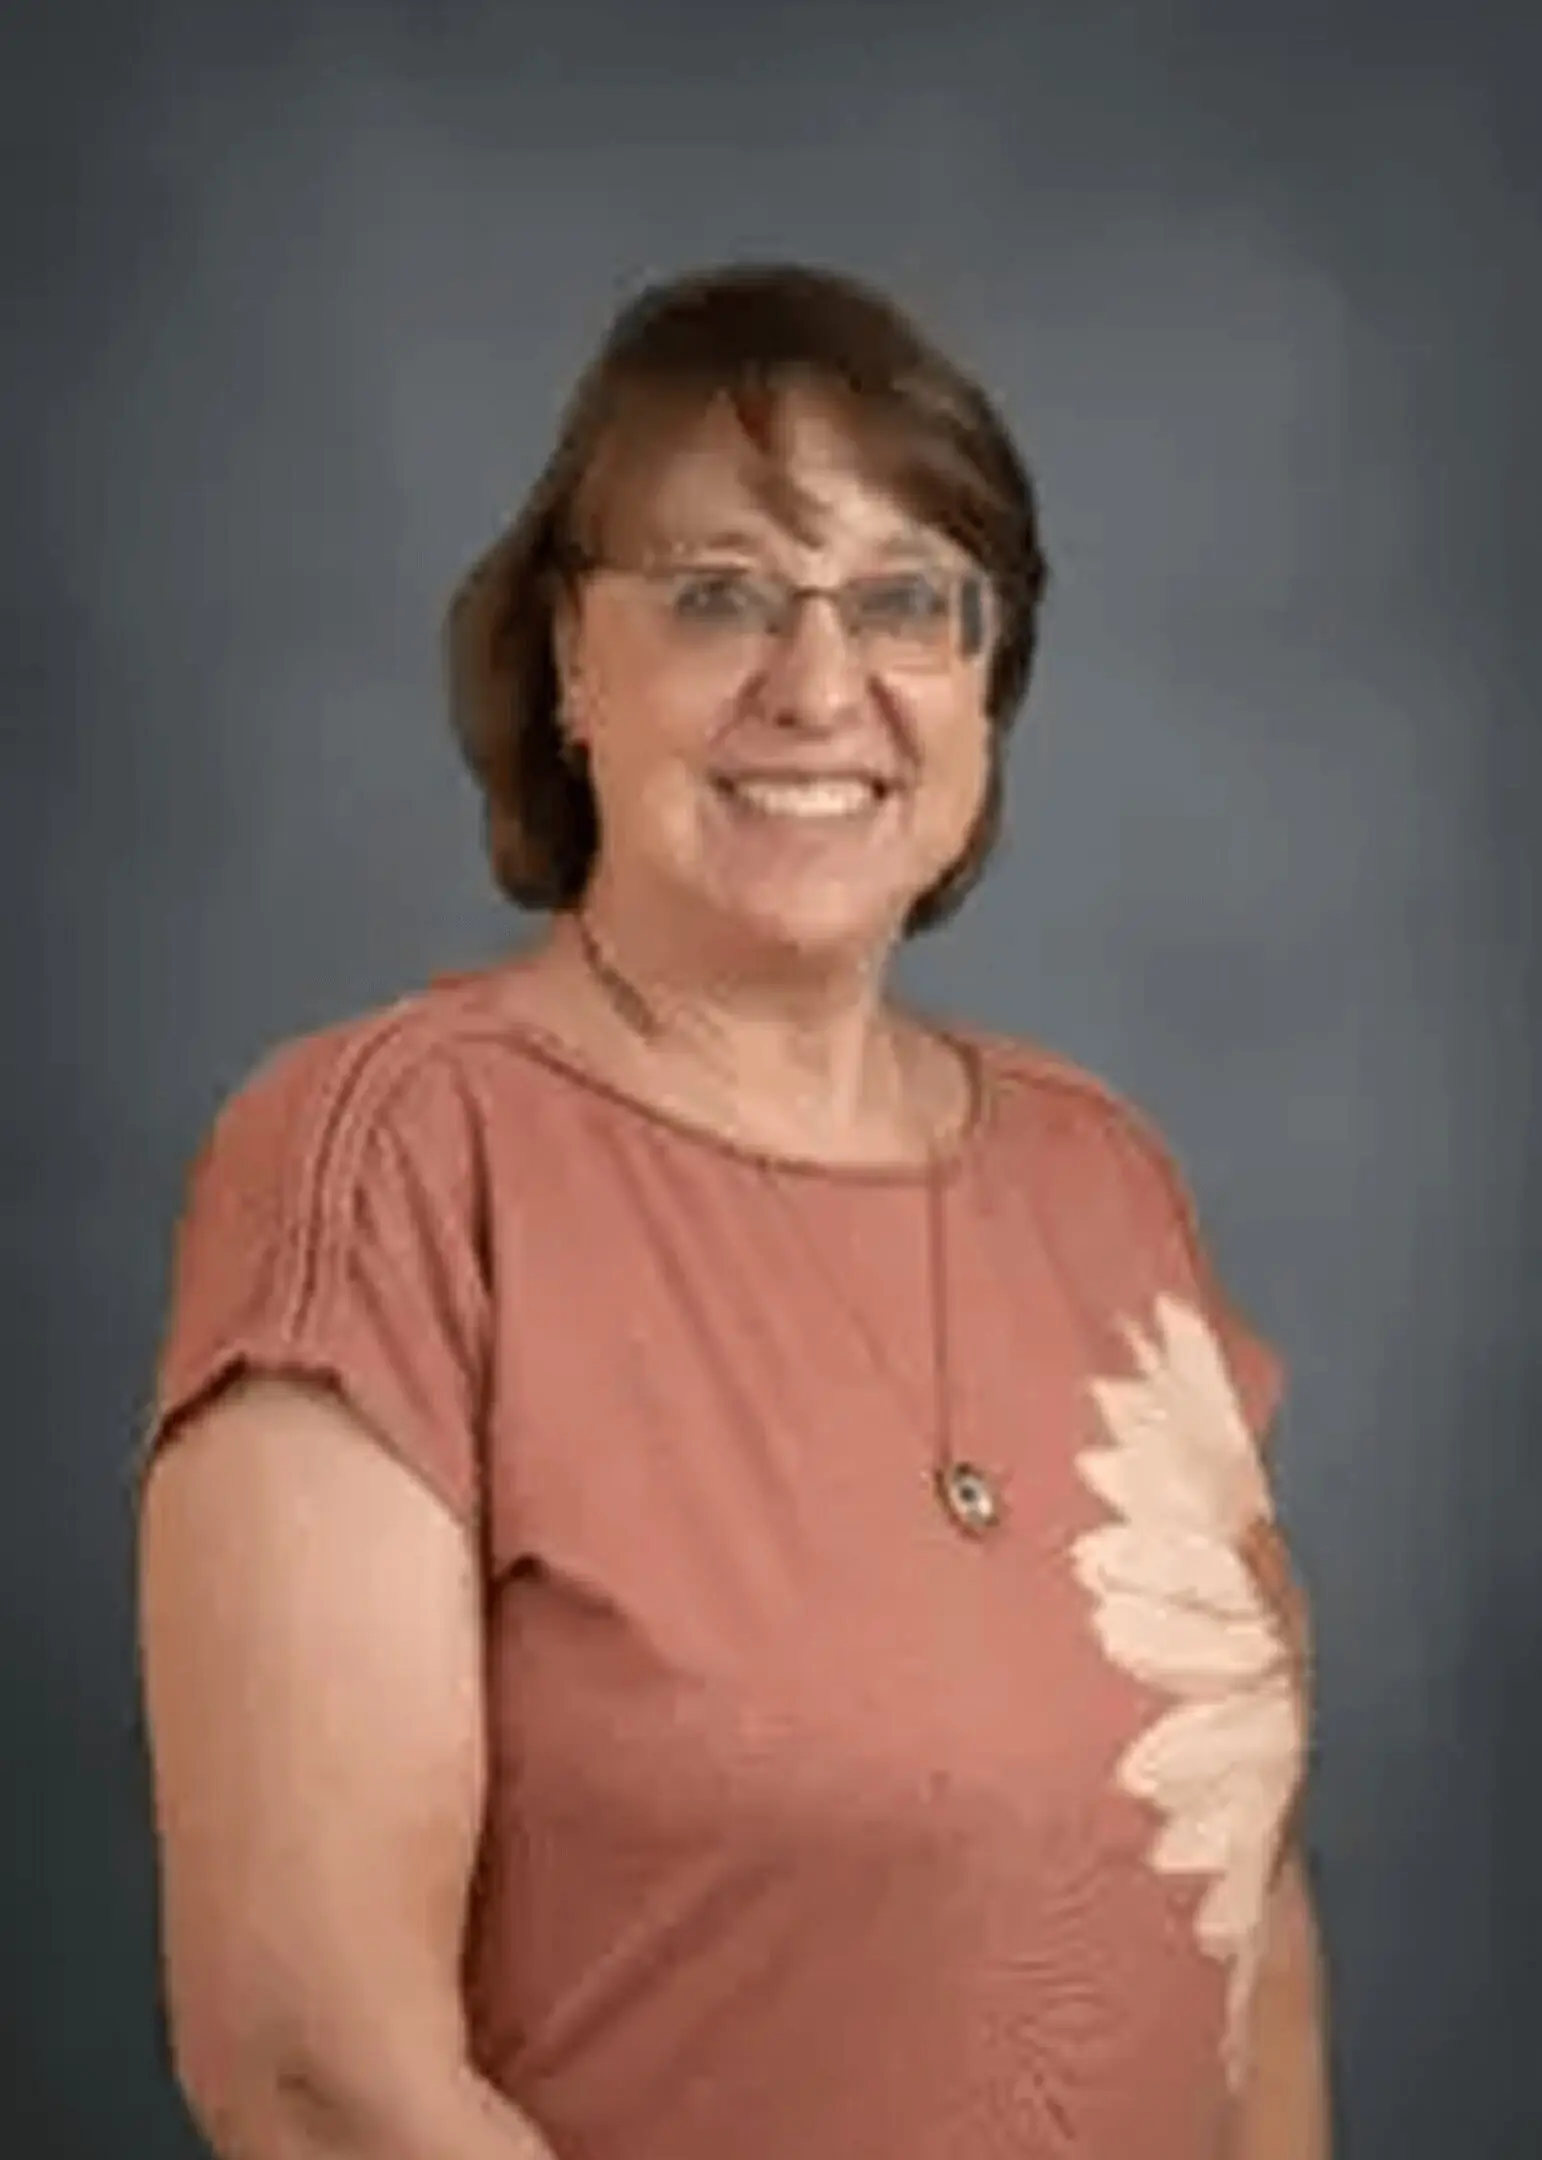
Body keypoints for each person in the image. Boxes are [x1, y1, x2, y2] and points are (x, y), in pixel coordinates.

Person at [133, 261, 1328, 2160]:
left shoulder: (1101, 1178)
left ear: (983, 684)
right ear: (565, 667)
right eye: (716, 597)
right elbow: (316, 2068)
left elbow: (1237, 1893)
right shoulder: (390, 1159)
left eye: (906, 601)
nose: (820, 684)